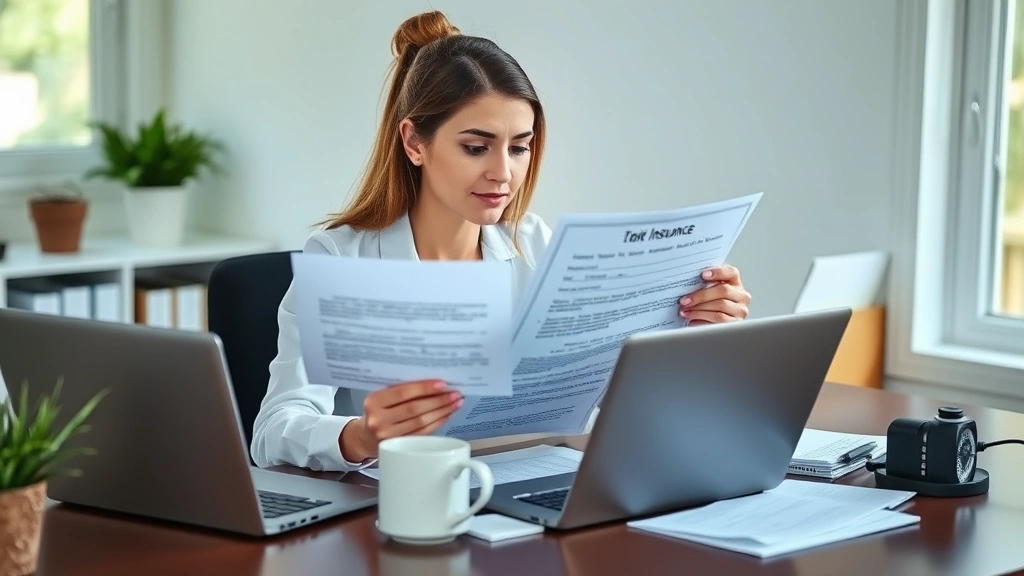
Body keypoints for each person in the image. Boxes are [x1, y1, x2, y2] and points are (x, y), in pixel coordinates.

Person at [250, 10, 752, 472]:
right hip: (397, 510)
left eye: (519, 148)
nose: (502, 173)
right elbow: (272, 433)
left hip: (520, 497)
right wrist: (359, 436)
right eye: (476, 147)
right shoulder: (344, 258)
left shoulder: (535, 245)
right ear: (413, 143)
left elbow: (613, 404)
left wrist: (694, 329)